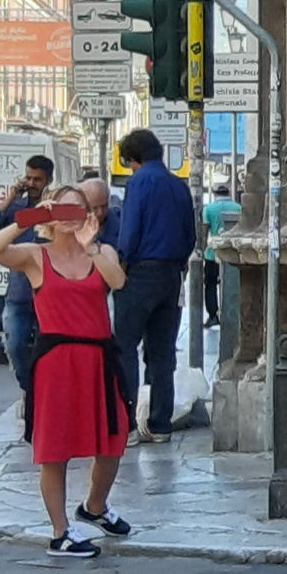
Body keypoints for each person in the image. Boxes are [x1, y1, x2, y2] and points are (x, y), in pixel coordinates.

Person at [0, 186, 131, 558]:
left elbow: (117, 281)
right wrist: (31, 217)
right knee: (54, 449)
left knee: (113, 440)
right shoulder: (36, 256)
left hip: (98, 358)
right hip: (57, 360)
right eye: (62, 207)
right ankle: (60, 532)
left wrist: (89, 246)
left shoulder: (101, 251)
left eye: (78, 207)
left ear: (90, 213)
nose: (70, 214)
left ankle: (95, 506)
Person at [114, 129, 195, 443]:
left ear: (133, 159)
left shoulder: (139, 183)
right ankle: (161, 424)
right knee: (162, 354)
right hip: (171, 275)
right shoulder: (179, 186)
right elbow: (190, 234)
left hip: (140, 273)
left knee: (125, 348)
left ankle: (127, 425)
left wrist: (120, 267)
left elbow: (130, 231)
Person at [0, 154, 54, 391]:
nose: (31, 184)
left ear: (49, 180)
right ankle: (29, 390)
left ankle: (40, 393)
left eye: (37, 179)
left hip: (47, 295)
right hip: (18, 293)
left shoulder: (53, 210)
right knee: (15, 346)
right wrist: (8, 200)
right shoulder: (17, 208)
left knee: (46, 350)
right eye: (28, 178)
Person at [202, 182, 242, 327]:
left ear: (214, 193)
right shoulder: (238, 207)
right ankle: (231, 312)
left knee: (210, 285)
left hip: (212, 253)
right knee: (232, 284)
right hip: (233, 252)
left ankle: (213, 315)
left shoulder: (209, 209)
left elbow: (205, 231)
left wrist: (201, 249)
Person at [77, 176, 122, 251]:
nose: (100, 213)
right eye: (94, 208)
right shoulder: (74, 226)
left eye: (104, 206)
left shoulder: (119, 220)